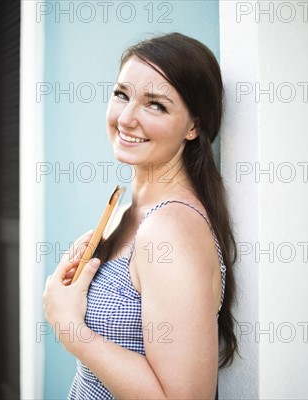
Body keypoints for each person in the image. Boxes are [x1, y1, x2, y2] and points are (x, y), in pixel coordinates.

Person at [43, 32, 237, 399]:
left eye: (156, 105)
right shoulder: (125, 212)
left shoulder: (170, 230)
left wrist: (71, 329)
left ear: (194, 126)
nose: (127, 118)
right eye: (122, 94)